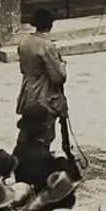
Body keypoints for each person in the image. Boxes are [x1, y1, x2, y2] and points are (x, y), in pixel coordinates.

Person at [17, 8, 68, 151]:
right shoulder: (46, 45)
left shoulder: (24, 41)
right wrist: (62, 64)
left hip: (28, 90)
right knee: (45, 130)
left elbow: (23, 68)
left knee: (28, 127)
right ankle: (41, 155)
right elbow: (58, 77)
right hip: (44, 92)